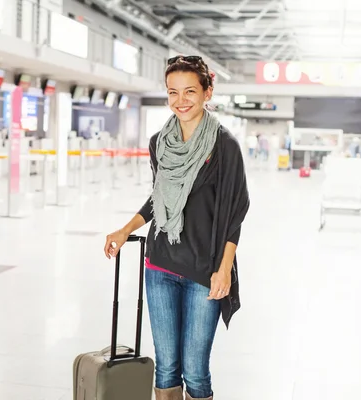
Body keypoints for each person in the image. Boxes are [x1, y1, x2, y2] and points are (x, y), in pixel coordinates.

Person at [103, 55, 250, 400]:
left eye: (189, 91)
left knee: (195, 370)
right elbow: (159, 199)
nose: (180, 101)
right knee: (167, 366)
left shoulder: (224, 145)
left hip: (205, 269)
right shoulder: (159, 143)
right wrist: (125, 229)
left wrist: (224, 269)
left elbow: (235, 212)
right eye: (172, 92)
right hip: (161, 264)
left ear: (207, 92)